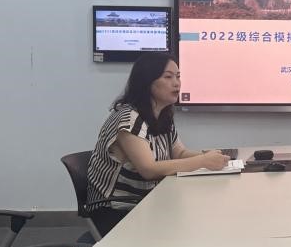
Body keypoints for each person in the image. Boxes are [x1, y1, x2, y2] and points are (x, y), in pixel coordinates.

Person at [85, 53, 229, 235]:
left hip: (146, 201)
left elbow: (179, 153)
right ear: (147, 82)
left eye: (178, 76)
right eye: (168, 77)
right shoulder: (129, 119)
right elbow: (149, 169)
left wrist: (210, 157)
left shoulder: (162, 114)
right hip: (116, 210)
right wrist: (202, 161)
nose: (177, 83)